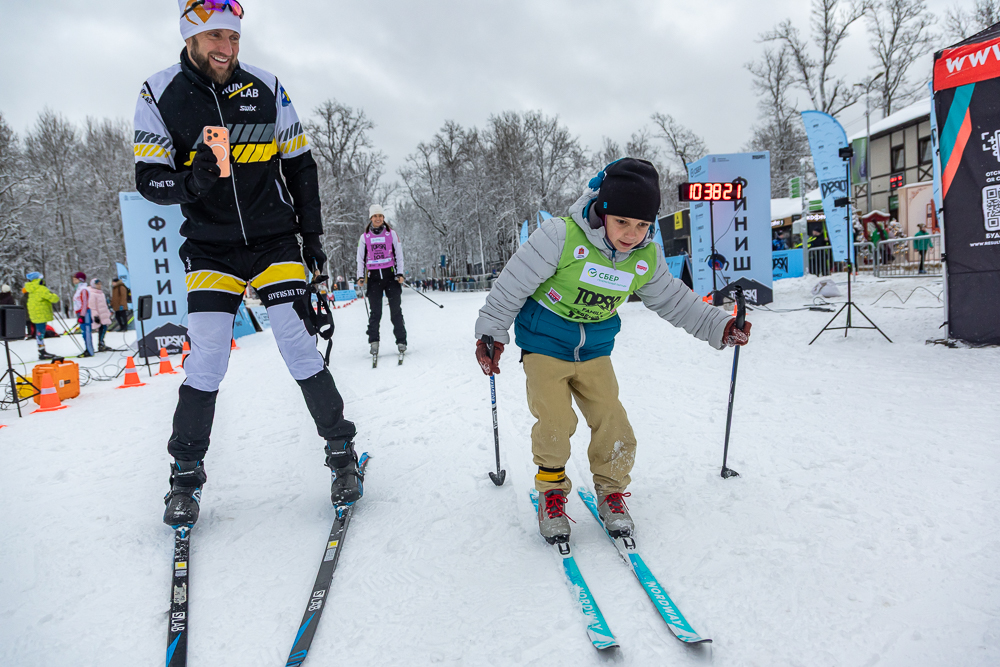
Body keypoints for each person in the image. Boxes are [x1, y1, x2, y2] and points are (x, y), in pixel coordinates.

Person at [133, 0, 359, 527]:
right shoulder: (158, 92)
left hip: (274, 241)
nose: (226, 49)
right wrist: (194, 181)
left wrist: (313, 241)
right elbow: (150, 179)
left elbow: (301, 166)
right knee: (207, 358)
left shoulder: (267, 87)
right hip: (210, 248)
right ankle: (185, 476)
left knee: (298, 344)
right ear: (190, 36)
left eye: (234, 39)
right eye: (215, 38)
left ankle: (342, 454)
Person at [474, 159, 751, 544]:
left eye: (641, 226)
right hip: (544, 343)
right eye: (622, 222)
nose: (631, 234)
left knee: (613, 421)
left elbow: (676, 301)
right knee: (554, 422)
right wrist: (491, 334)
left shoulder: (644, 257)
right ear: (602, 211)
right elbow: (511, 286)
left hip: (596, 349)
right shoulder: (560, 236)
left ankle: (612, 492)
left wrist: (719, 326)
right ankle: (552, 492)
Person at [356, 204, 407, 356]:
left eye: (380, 216)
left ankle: (401, 341)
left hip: (390, 277)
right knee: (375, 312)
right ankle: (374, 341)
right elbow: (360, 259)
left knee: (395, 311)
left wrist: (400, 273)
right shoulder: (364, 237)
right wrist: (360, 276)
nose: (378, 219)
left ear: (383, 218)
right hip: (374, 279)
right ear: (371, 218)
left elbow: (399, 255)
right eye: (375, 216)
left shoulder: (391, 234)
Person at [21, 272, 60, 360]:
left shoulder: (31, 289)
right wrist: (52, 294)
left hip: (35, 314)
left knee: (39, 332)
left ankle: (41, 350)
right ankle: (42, 352)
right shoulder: (41, 288)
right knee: (40, 333)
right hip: (41, 313)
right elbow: (54, 299)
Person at [71, 272, 94, 357]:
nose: (73, 280)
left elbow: (84, 303)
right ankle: (88, 348)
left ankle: (89, 350)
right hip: (80, 312)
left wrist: (82, 315)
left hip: (84, 313)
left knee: (86, 332)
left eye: (75, 279)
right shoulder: (78, 289)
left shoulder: (83, 289)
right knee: (84, 331)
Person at [87, 279, 113, 352]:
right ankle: (100, 344)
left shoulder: (101, 293)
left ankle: (101, 343)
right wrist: (95, 315)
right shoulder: (92, 294)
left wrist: (108, 313)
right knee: (101, 328)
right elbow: (92, 306)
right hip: (98, 315)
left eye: (100, 284)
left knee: (104, 328)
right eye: (97, 284)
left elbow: (104, 305)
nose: (99, 286)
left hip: (103, 314)